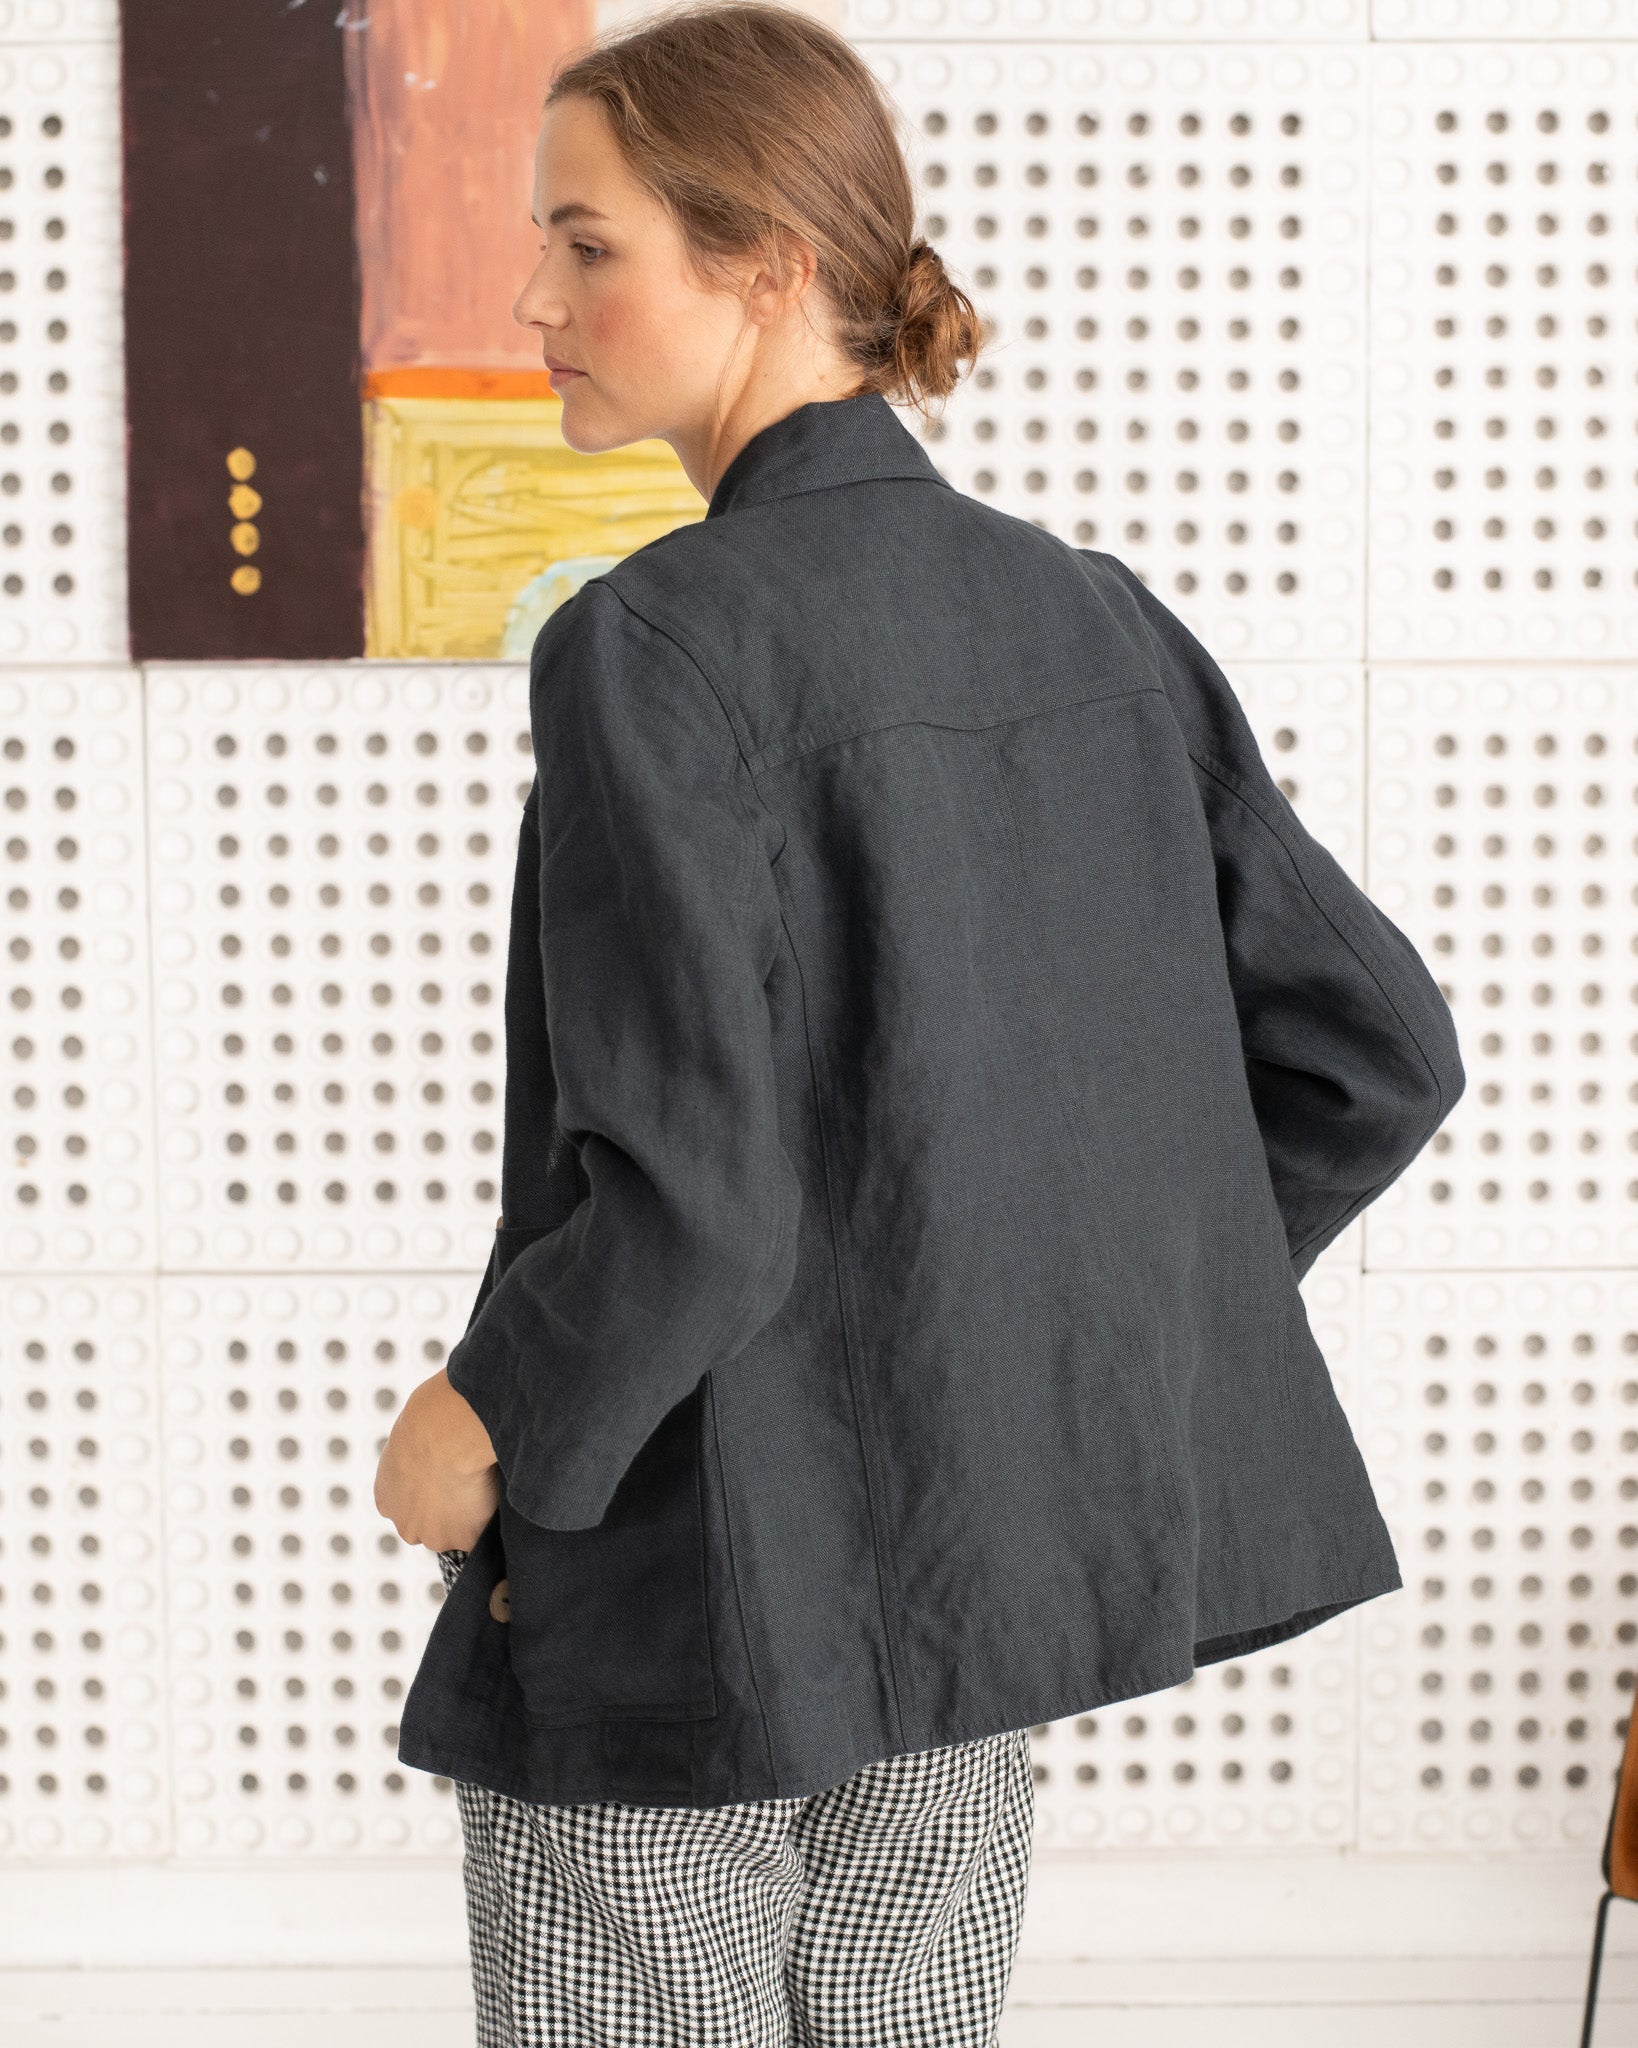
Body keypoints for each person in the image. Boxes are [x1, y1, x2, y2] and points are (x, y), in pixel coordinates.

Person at [373, 4, 1467, 2043]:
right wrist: (1037, 1310)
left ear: (767, 263)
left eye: (587, 244)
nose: (533, 298)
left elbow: (690, 1198)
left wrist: (486, 1413)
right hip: (977, 1573)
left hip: (689, 1579)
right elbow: (1375, 1056)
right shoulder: (1091, 612)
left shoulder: (650, 645)